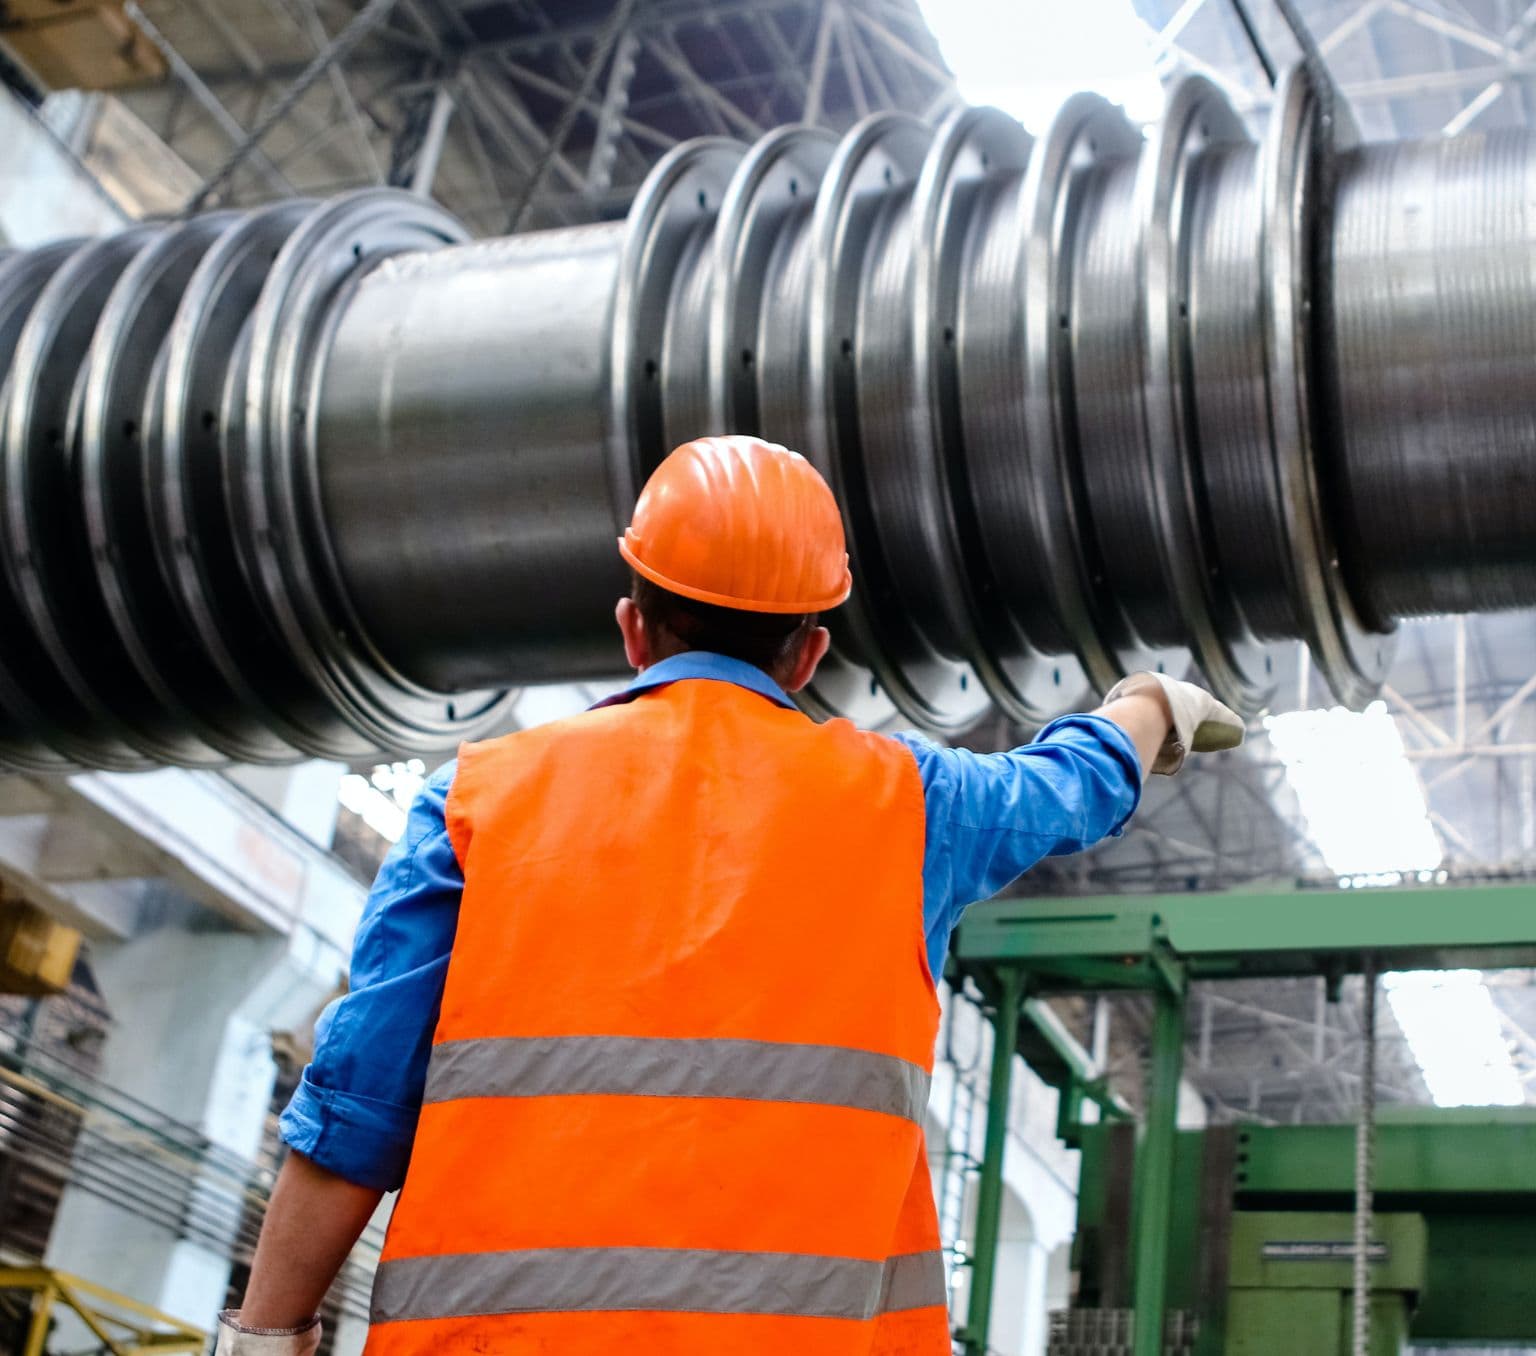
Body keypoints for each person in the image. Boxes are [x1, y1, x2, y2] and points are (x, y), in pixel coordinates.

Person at [215, 436, 1243, 1356]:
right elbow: (1072, 787)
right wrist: (1147, 705)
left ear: (632, 627)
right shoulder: (912, 807)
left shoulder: (478, 800)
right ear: (809, 653)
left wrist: (266, 1340)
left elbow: (352, 1114)